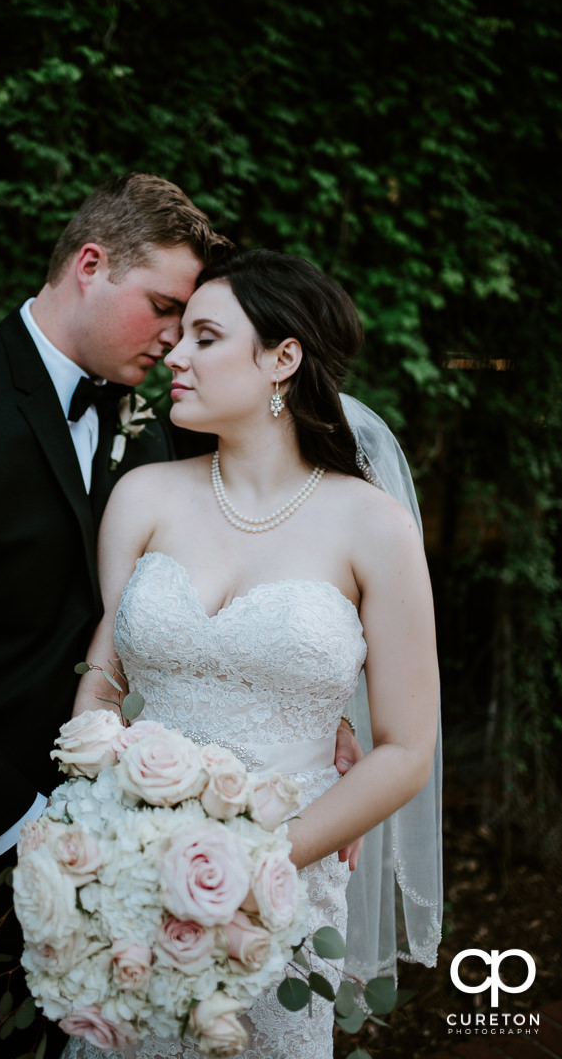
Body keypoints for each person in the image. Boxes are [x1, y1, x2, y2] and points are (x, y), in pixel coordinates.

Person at [0, 178, 361, 1058]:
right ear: (90, 266)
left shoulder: (167, 421)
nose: (177, 338)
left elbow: (212, 586)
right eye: (163, 308)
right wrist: (30, 825)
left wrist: (303, 698)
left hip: (126, 865)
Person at [65, 248, 442, 1059]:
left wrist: (257, 861)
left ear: (282, 359)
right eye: (179, 337)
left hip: (285, 884)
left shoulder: (370, 526)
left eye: (204, 338)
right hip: (133, 878)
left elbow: (407, 748)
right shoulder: (142, 497)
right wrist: (101, 826)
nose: (174, 355)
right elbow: (105, 677)